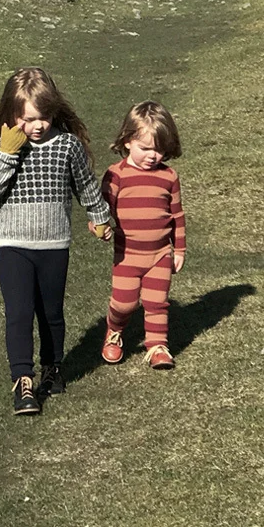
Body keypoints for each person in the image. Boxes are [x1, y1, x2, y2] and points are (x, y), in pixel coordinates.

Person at [0, 67, 112, 416]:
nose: (38, 126)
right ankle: (22, 380)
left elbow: (85, 185)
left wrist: (99, 217)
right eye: (29, 119)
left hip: (54, 243)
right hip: (12, 245)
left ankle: (53, 367)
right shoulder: (1, 146)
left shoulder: (67, 145)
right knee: (19, 313)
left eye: (45, 117)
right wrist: (7, 154)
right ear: (12, 115)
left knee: (50, 312)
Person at [100, 101, 186, 370]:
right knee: (124, 304)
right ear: (127, 141)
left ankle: (157, 346)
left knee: (156, 302)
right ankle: (114, 331)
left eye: (159, 149)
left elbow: (177, 216)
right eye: (145, 148)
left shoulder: (169, 176)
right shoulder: (116, 175)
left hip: (160, 253)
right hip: (127, 255)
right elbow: (101, 211)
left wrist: (179, 249)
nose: (153, 155)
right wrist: (98, 226)